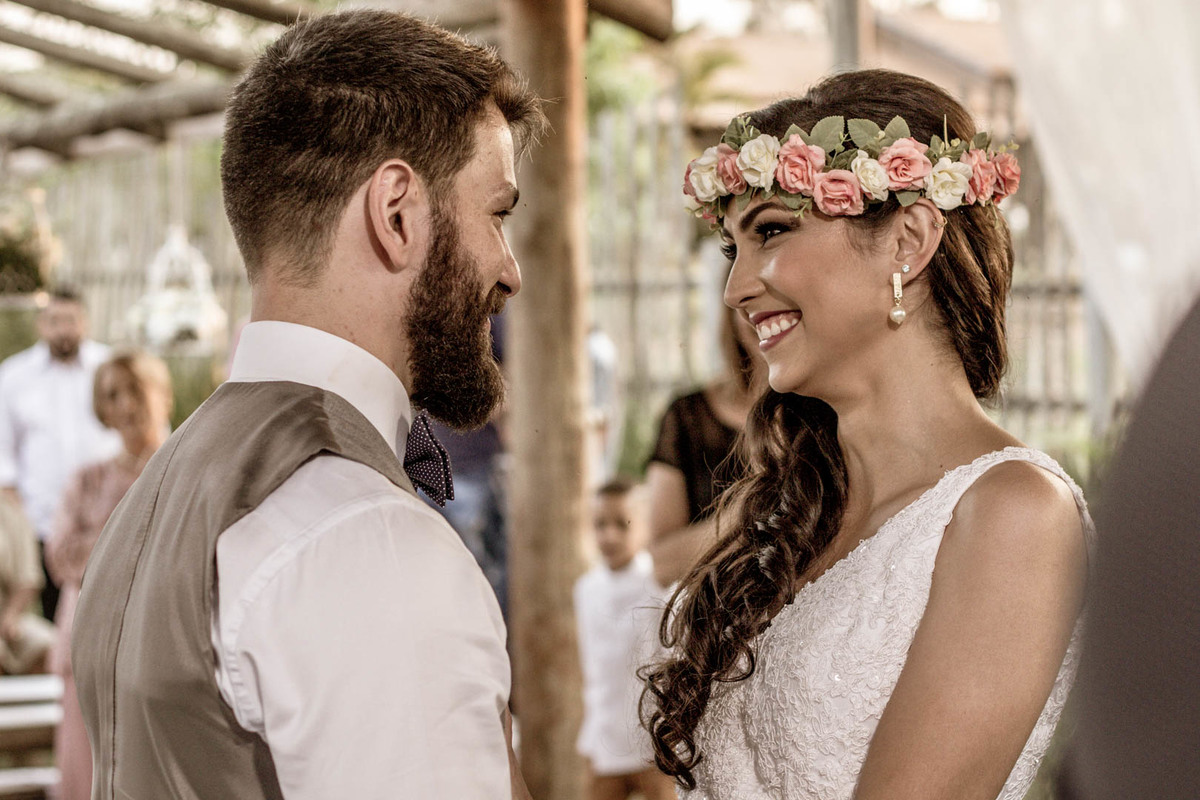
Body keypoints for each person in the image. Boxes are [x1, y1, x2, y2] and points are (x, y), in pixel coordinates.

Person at [70, 11, 545, 800]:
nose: (510, 270)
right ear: (397, 214)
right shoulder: (371, 539)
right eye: (496, 214)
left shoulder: (163, 488)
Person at [642, 69, 1092, 800]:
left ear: (907, 242)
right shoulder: (799, 510)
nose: (736, 288)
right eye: (733, 249)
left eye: (772, 232)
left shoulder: (1014, 514)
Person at [46, 351, 172, 800]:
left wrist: (103, 542)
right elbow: (61, 556)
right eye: (111, 395)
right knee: (83, 767)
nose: (125, 405)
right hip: (87, 640)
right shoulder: (87, 479)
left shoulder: (181, 472)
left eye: (133, 390)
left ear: (159, 393)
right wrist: (134, 539)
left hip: (159, 644)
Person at [0, 287, 120, 620]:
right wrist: (20, 520)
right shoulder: (13, 376)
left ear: (86, 322)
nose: (64, 330)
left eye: (71, 320)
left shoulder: (109, 367)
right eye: (55, 321)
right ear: (42, 324)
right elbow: (3, 456)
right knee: (56, 620)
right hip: (42, 524)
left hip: (108, 523)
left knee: (106, 617)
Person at [645, 302, 763, 587]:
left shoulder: (827, 415)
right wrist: (754, 511)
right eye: (748, 302)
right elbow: (660, 565)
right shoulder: (687, 416)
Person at [575, 478, 673, 800]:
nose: (609, 535)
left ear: (643, 525)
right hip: (605, 736)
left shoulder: (658, 585)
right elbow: (592, 668)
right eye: (600, 524)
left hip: (653, 740)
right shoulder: (585, 590)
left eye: (622, 524)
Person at [0, 494, 53, 675]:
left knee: (51, 646)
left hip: (7, 617)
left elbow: (28, 577)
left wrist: (11, 616)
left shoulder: (9, 513)